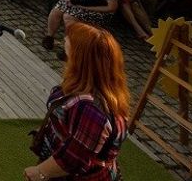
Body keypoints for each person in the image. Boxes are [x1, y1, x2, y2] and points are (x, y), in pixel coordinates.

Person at [25, 23, 129, 181]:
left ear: (80, 57)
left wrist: (39, 172)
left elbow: (73, 159)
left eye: (69, 41)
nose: (64, 40)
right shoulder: (87, 86)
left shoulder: (91, 110)